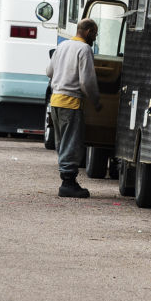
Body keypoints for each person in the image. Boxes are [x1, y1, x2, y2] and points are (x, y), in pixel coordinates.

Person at [47, 18, 100, 199]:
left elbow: (49, 72)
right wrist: (96, 101)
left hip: (55, 101)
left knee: (62, 143)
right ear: (88, 31)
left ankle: (67, 179)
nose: (95, 37)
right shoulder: (84, 49)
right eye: (95, 33)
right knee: (71, 143)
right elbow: (87, 82)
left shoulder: (62, 46)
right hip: (71, 103)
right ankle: (68, 183)